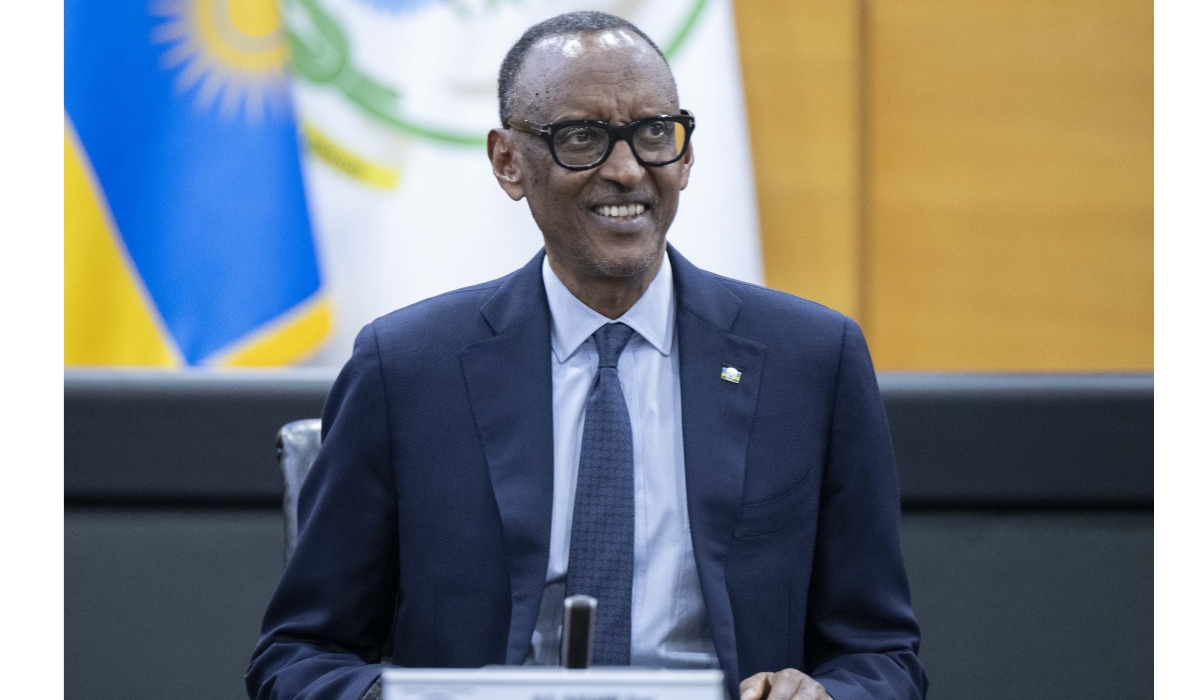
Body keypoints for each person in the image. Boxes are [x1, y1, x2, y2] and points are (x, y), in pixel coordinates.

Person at [247, 11, 926, 700]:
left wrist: (827, 696)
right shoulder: (408, 369)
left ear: (686, 157)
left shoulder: (808, 362)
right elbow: (300, 657)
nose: (627, 170)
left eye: (654, 134)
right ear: (508, 163)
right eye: (583, 138)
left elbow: (882, 656)